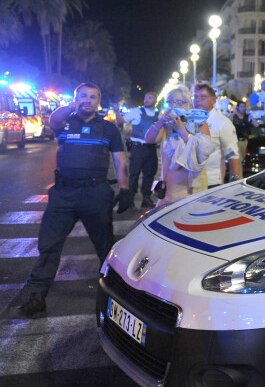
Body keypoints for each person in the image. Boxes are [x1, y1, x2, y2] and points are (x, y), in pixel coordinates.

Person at [18, 82, 132, 318]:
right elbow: (53, 120)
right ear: (75, 98)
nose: (87, 100)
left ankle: (114, 295)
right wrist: (72, 105)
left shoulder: (108, 129)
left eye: (92, 97)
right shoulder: (65, 122)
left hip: (96, 192)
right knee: (49, 246)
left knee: (105, 247)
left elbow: (121, 161)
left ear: (98, 102)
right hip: (63, 194)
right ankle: (37, 295)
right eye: (83, 96)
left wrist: (125, 189)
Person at [144, 85, 216, 206]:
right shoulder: (166, 125)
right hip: (169, 189)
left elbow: (204, 151)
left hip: (191, 189)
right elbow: (149, 139)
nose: (174, 105)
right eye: (171, 102)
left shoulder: (199, 123)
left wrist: (182, 131)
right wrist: (161, 121)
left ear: (188, 105)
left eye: (179, 102)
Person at [116, 91, 159, 208]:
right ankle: (130, 200)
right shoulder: (136, 111)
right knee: (134, 174)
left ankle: (146, 198)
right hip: (137, 148)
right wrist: (116, 111)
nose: (146, 100)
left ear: (155, 100)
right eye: (145, 97)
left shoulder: (157, 115)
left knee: (149, 174)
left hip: (151, 149)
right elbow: (121, 122)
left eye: (150, 98)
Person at [193, 83, 241, 188]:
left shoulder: (222, 122)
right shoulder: (189, 119)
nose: (198, 99)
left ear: (213, 100)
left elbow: (232, 155)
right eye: (195, 96)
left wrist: (234, 184)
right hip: (188, 181)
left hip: (211, 182)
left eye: (203, 97)